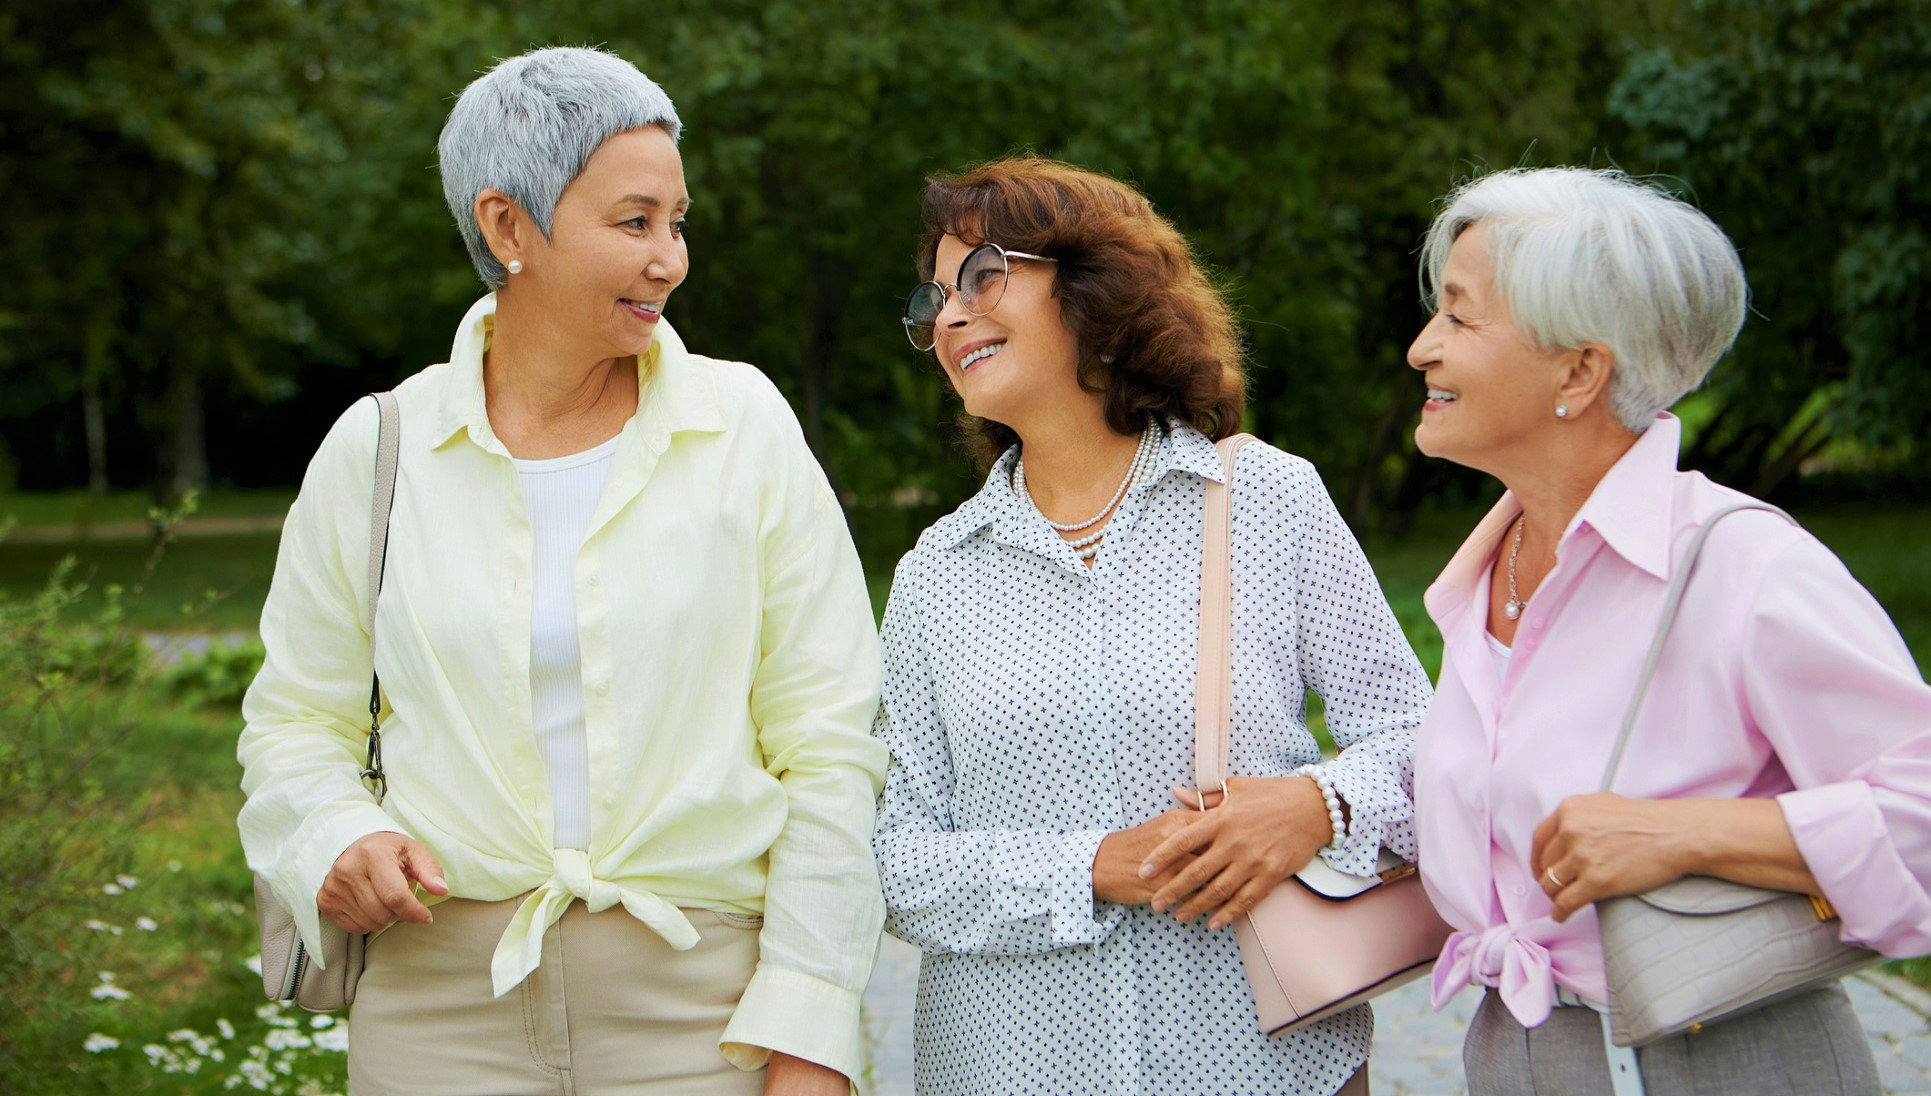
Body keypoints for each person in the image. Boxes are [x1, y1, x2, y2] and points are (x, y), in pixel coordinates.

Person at [236, 47, 883, 1095]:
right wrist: (338, 834)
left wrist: (811, 1026)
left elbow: (830, 744)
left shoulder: (745, 428)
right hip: (435, 1014)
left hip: (702, 1014)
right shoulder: (376, 449)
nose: (668, 258)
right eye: (633, 223)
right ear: (507, 228)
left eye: (676, 222)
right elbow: (294, 724)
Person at [871, 156, 1434, 1095]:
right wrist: (1091, 868)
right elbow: (896, 860)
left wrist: (1312, 808)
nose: (950, 315)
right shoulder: (935, 574)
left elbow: (1421, 743)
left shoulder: (1265, 499)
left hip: (1264, 1064)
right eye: (934, 298)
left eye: (982, 274)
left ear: (1094, 287)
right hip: (1010, 1069)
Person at [1406, 166, 1931, 1095]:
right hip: (1515, 1059)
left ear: (1578, 370)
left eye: (1458, 315)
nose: (1420, 349)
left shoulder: (1743, 566)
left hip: (1718, 1057)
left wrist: (1688, 834)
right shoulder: (1484, 571)